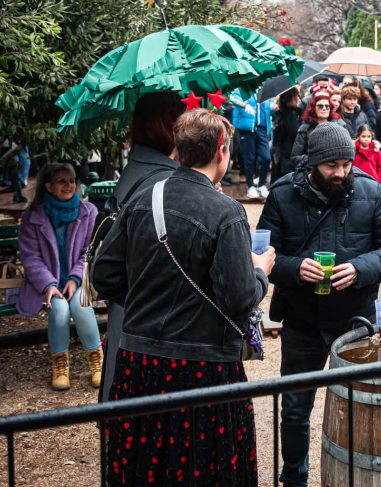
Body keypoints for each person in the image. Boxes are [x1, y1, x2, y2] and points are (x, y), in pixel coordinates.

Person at [93, 109, 274, 487]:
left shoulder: (145, 195)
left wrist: (148, 299)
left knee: (145, 467)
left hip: (139, 363)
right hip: (203, 367)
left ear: (178, 149)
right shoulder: (227, 213)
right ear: (221, 151)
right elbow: (241, 298)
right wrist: (260, 270)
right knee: (203, 468)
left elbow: (105, 275)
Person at [258, 121, 381, 485]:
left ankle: (363, 477)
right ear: (312, 164)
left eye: (347, 164)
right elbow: (261, 253)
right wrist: (295, 268)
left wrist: (360, 268)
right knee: (294, 410)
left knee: (367, 405)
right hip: (302, 320)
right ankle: (294, 477)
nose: (341, 172)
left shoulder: (370, 192)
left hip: (356, 320)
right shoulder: (282, 194)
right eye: (332, 166)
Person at [98, 91, 184, 400]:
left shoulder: (138, 167)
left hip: (131, 304)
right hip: (150, 312)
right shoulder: (160, 180)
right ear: (166, 126)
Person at [17, 162, 102, 390]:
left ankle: (97, 363)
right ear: (48, 186)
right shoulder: (33, 217)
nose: (68, 185)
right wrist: (48, 285)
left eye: (71, 180)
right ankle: (60, 365)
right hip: (48, 283)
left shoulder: (88, 212)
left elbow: (89, 252)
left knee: (81, 305)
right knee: (59, 309)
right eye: (61, 181)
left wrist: (75, 278)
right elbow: (31, 257)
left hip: (80, 278)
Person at [230, 91, 274, 199]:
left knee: (266, 158)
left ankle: (261, 184)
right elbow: (232, 98)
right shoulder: (244, 88)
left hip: (262, 130)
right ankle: (250, 186)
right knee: (249, 159)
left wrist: (275, 108)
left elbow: (270, 109)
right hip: (247, 129)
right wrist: (245, 105)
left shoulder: (266, 91)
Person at [290, 91, 340, 169]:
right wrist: (315, 159)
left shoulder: (339, 126)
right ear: (313, 108)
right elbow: (295, 158)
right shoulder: (305, 129)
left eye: (327, 106)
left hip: (333, 170)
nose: (324, 108)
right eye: (320, 106)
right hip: (311, 172)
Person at [272, 87, 304, 182]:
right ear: (293, 98)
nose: (299, 98)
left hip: (281, 154)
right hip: (287, 156)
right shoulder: (290, 116)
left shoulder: (282, 113)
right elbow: (296, 134)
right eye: (297, 96)